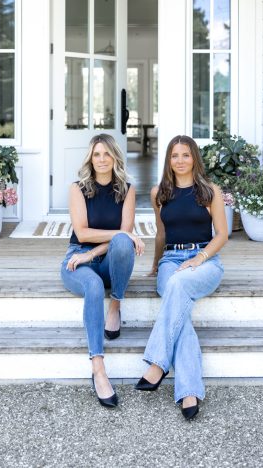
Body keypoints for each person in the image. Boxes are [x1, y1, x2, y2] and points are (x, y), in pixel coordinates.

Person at [135, 135, 227, 420]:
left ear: (194, 158)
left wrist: (198, 259)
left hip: (205, 261)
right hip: (170, 262)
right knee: (179, 308)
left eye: (185, 155)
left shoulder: (211, 191)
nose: (180, 161)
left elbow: (222, 235)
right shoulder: (158, 192)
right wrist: (155, 264)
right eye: (175, 155)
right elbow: (161, 234)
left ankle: (158, 363)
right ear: (168, 160)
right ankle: (189, 391)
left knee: (176, 285)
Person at [60, 133, 145, 408]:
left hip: (102, 259)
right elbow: (82, 232)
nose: (101, 159)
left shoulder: (127, 189)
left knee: (122, 242)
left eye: (107, 154)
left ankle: (116, 306)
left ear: (115, 157)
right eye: (97, 154)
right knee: (94, 285)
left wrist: (93, 253)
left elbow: (123, 238)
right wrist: (86, 254)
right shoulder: (78, 188)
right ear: (90, 158)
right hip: (76, 259)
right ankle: (98, 368)